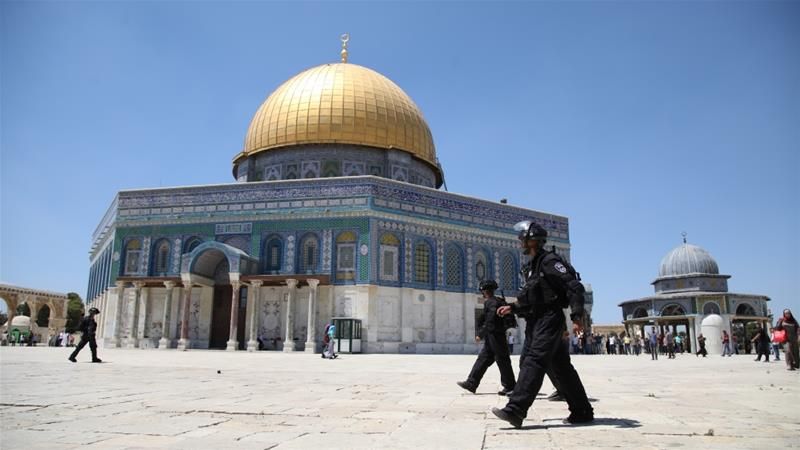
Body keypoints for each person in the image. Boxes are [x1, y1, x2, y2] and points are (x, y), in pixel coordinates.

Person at [491, 221, 593, 428]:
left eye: (523, 238)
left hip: (549, 319)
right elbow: (531, 297)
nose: (520, 242)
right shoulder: (533, 266)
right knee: (562, 368)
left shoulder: (550, 261)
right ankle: (582, 410)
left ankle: (516, 409)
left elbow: (574, 286)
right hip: (536, 320)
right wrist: (513, 308)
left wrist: (576, 317)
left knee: (534, 361)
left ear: (532, 240)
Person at [457, 280, 516, 396]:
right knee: (483, 359)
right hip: (493, 336)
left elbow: (490, 321)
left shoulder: (491, 302)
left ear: (485, 291)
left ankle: (510, 386)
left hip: (496, 336)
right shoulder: (497, 301)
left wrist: (480, 334)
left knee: (502, 360)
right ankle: (471, 383)